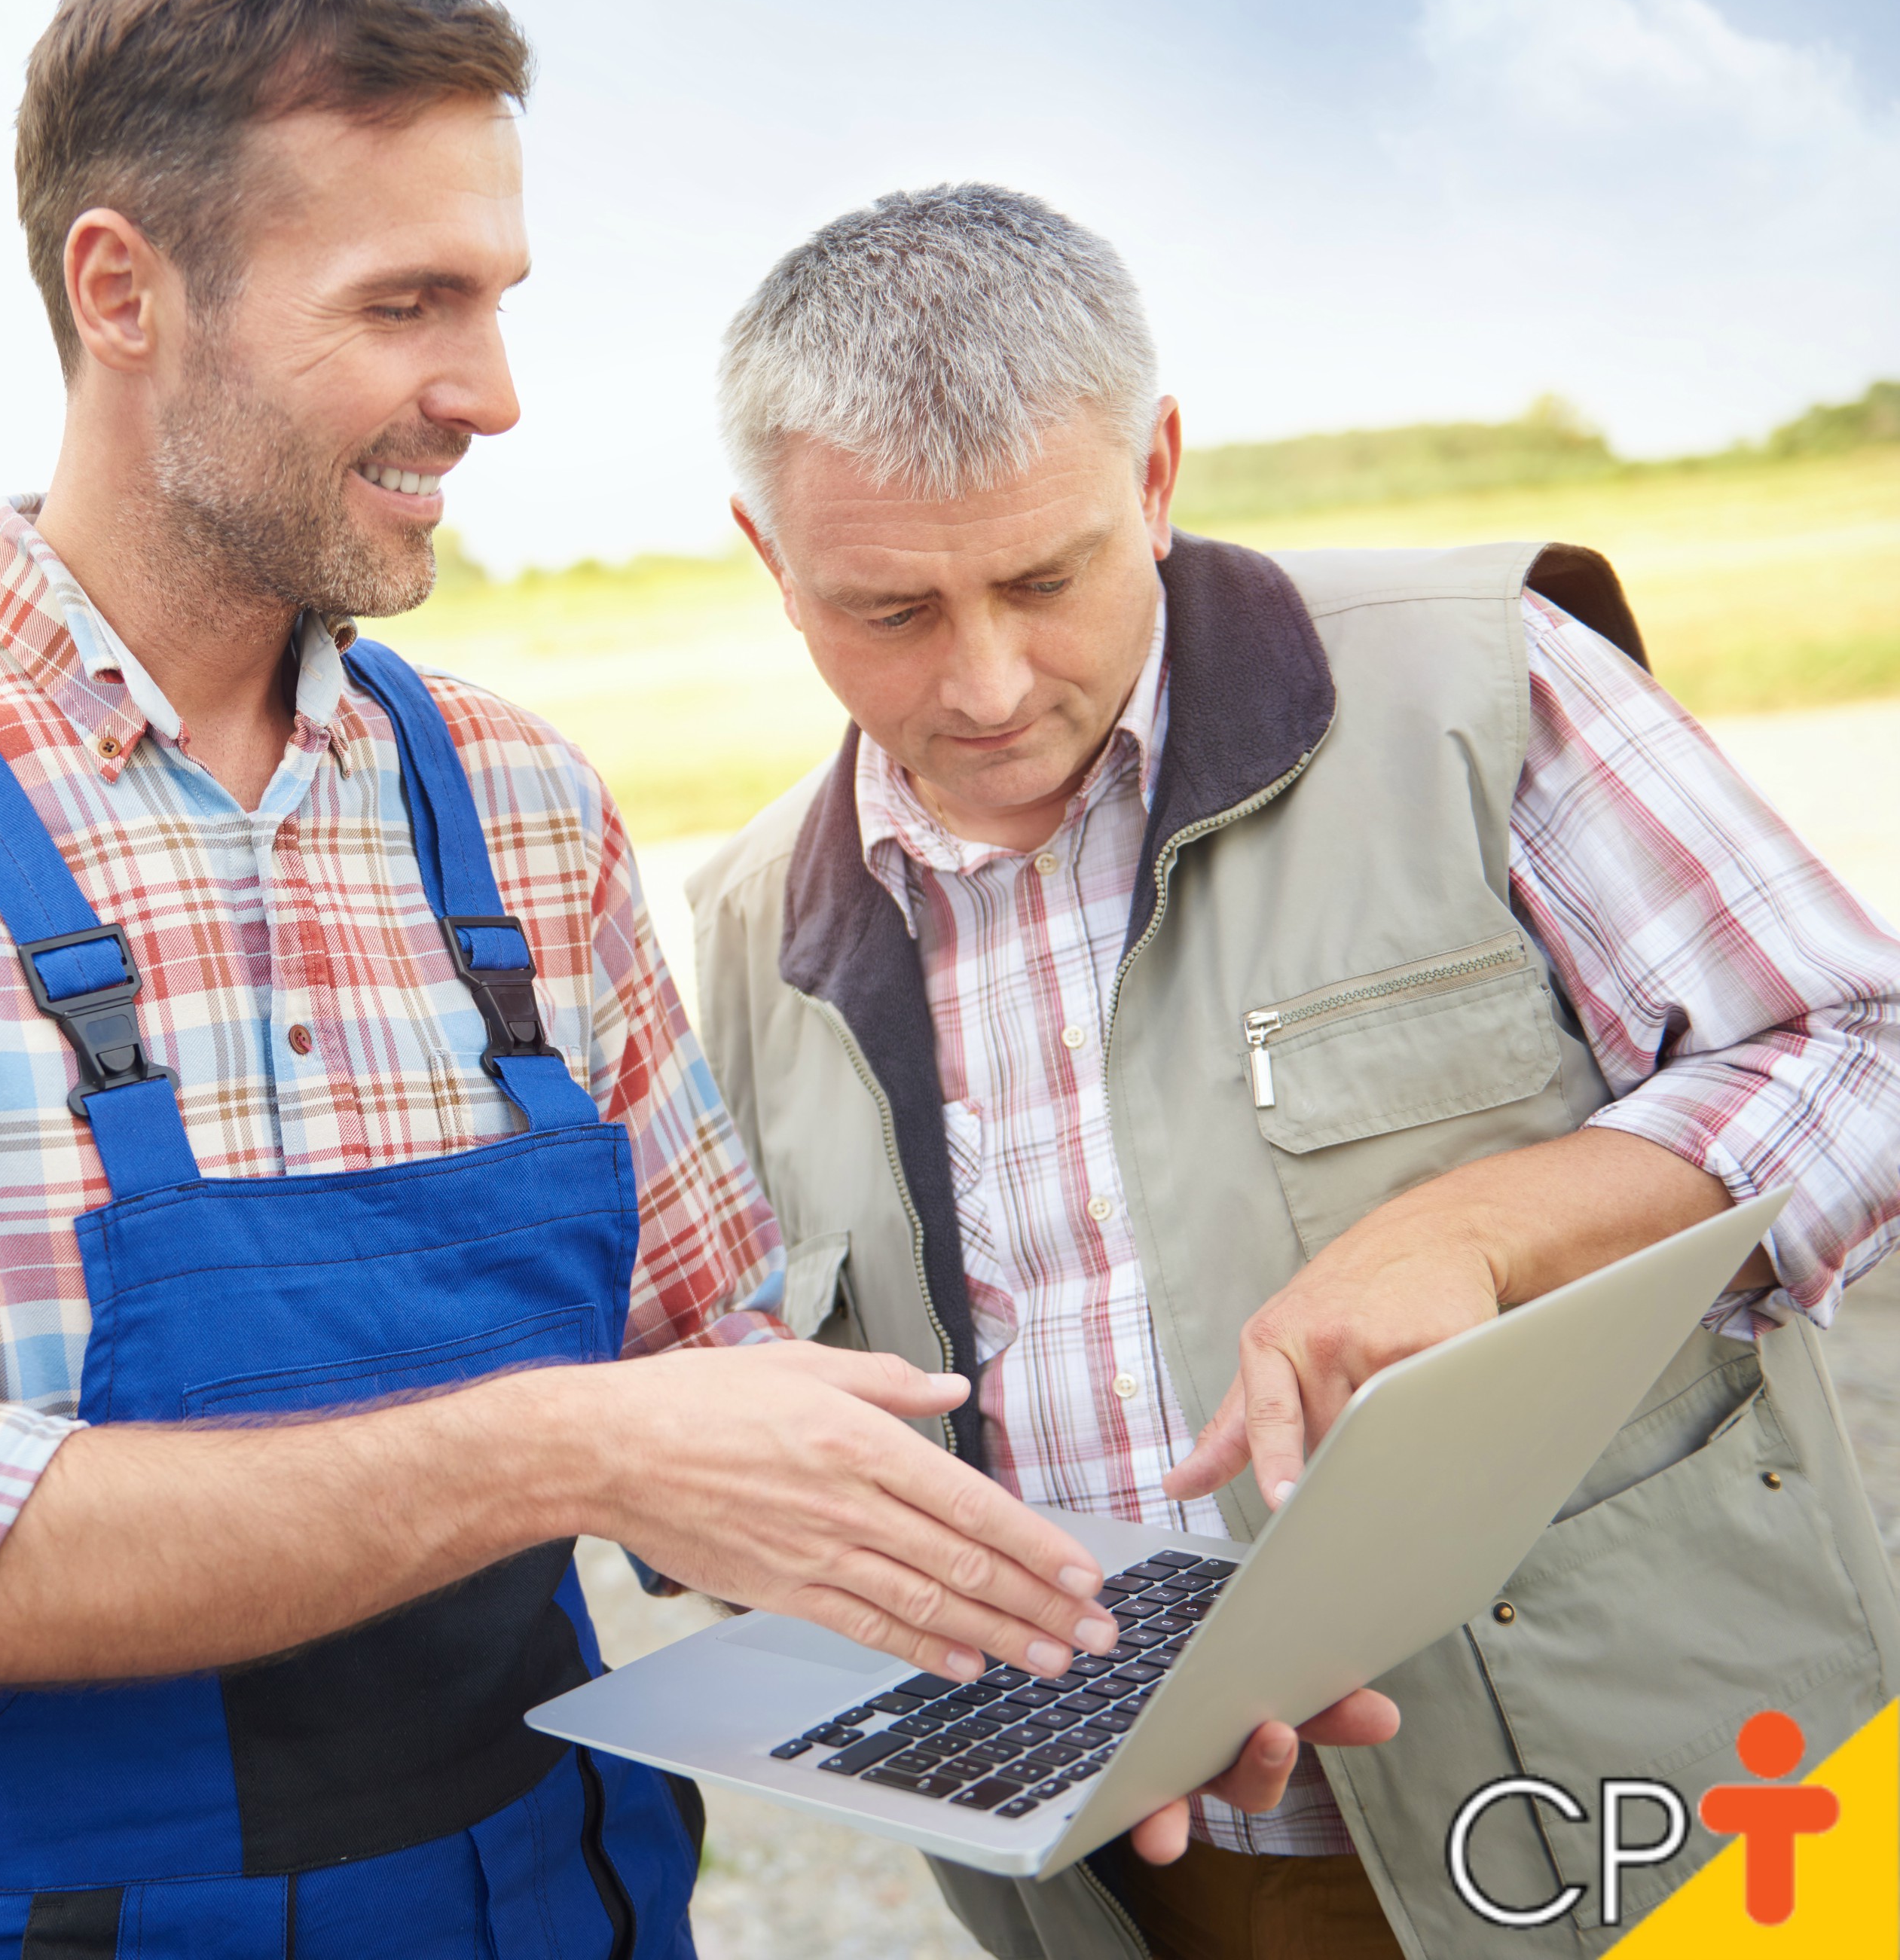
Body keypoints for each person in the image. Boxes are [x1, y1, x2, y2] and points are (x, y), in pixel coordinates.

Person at [0, 0, 1197, 1954]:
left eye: (496, 296)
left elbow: (719, 1394)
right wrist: (565, 1447)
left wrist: (1114, 1653)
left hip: (571, 1903)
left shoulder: (518, 805)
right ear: (124, 293)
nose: (493, 393)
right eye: (406, 304)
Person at [689, 183, 1900, 1960]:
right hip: (1134, 1883)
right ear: (765, 556)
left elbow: (1854, 1044)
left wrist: (1492, 1226)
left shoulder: (1474, 686)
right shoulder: (733, 933)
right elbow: (737, 1403)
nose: (989, 681)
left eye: (1044, 577)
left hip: (1662, 1817)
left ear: (1156, 469)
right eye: (887, 611)